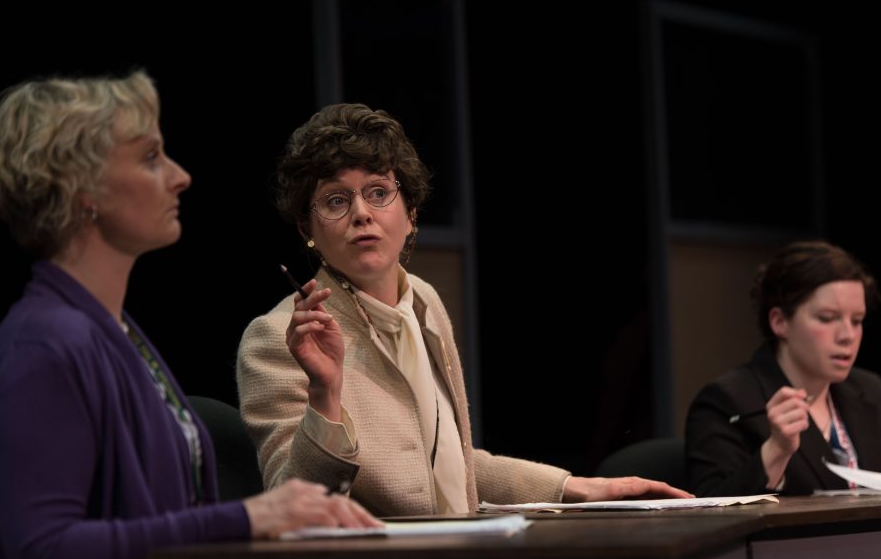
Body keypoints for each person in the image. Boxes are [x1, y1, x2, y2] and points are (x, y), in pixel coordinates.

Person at [0, 72, 379, 559]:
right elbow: (47, 554)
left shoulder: (109, 329)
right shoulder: (46, 341)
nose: (180, 175)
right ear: (82, 190)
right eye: (151, 157)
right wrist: (247, 519)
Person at [237, 103, 690, 516]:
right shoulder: (275, 339)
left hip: (461, 556)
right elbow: (292, 502)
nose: (361, 213)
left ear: (410, 213)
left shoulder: (424, 301)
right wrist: (325, 394)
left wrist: (578, 487)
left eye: (378, 192)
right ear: (307, 228)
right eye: (336, 200)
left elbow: (447, 458)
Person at [686, 240, 881, 496]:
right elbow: (709, 512)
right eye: (828, 318)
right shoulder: (728, 401)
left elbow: (880, 495)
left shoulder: (869, 391)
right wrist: (776, 451)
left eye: (857, 320)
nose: (847, 335)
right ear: (780, 321)